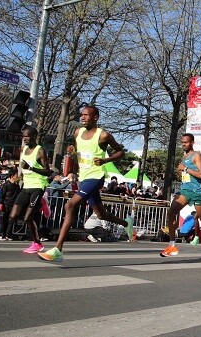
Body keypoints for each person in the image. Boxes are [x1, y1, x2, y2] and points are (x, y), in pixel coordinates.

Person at [38, 106, 133, 262]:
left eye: (86, 115)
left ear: (95, 117)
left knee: (70, 206)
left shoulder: (103, 135)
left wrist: (105, 160)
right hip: (83, 177)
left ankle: (57, 250)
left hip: (96, 177)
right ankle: (126, 223)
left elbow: (120, 151)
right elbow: (80, 155)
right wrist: (74, 166)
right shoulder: (77, 133)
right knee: (101, 214)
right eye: (81, 115)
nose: (82, 118)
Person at [159, 133, 201, 257]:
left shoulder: (196, 155)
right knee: (171, 213)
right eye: (182, 142)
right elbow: (186, 174)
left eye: (186, 142)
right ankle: (172, 246)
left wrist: (185, 169)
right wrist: (182, 171)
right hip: (185, 191)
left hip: (197, 192)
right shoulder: (184, 156)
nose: (183, 144)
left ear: (192, 142)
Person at [6, 126, 53, 254]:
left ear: (34, 137)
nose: (25, 139)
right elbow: (22, 167)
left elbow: (48, 172)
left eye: (27, 136)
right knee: (13, 215)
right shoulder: (24, 149)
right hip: (26, 186)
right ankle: (38, 207)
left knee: (28, 217)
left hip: (38, 186)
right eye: (23, 136)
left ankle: (37, 243)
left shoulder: (40, 151)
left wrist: (31, 168)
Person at [0, 167, 20, 241]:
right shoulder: (6, 184)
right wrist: (0, 203)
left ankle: (8, 235)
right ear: (12, 175)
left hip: (13, 205)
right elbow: (1, 195)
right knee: (2, 220)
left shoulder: (17, 186)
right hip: (5, 203)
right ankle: (1, 235)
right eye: (16, 175)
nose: (17, 176)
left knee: (11, 220)